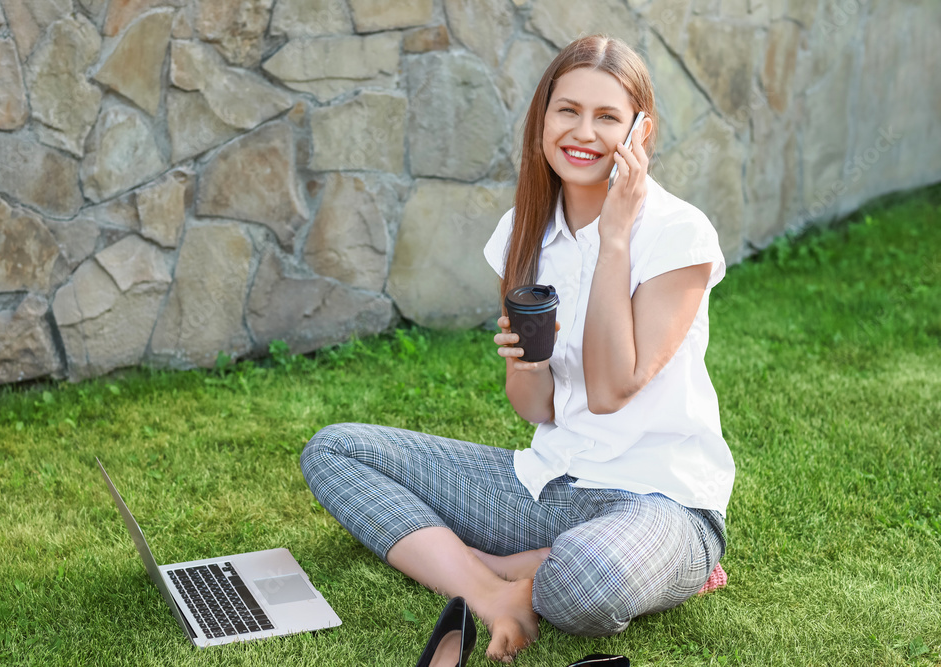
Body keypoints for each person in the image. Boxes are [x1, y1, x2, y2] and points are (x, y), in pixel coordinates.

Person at [301, 34, 735, 664]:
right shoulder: (523, 234)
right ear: (542, 120)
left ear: (641, 131)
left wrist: (614, 237)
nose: (583, 131)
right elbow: (538, 411)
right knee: (336, 450)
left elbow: (613, 390)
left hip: (657, 498)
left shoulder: (677, 233)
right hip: (548, 485)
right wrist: (526, 362)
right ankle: (491, 589)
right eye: (568, 110)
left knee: (589, 581)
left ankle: (518, 566)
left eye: (607, 117)